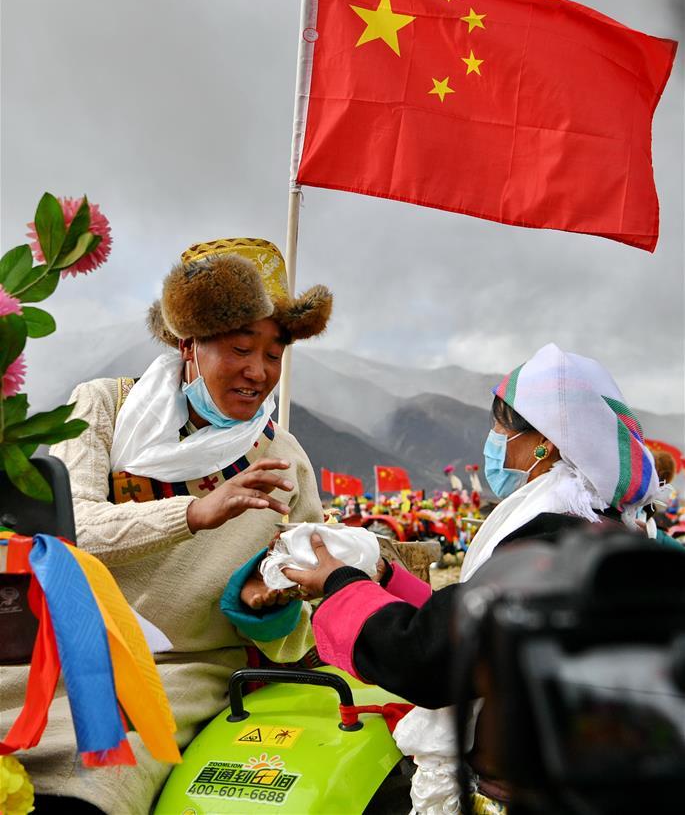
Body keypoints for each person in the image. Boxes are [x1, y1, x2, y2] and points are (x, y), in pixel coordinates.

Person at [0, 237, 332, 814]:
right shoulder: (103, 406)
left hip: (179, 671)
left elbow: (307, 617)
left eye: (274, 354)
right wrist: (190, 513)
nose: (258, 371)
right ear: (188, 344)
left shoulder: (287, 458)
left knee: (86, 786)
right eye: (238, 347)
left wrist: (268, 606)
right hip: (59, 652)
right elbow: (68, 533)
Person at [285, 342, 661, 705]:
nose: (494, 440)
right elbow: (474, 616)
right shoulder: (596, 526)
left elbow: (430, 657)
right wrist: (385, 579)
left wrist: (341, 584)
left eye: (500, 426)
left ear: (544, 440)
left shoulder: (552, 540)